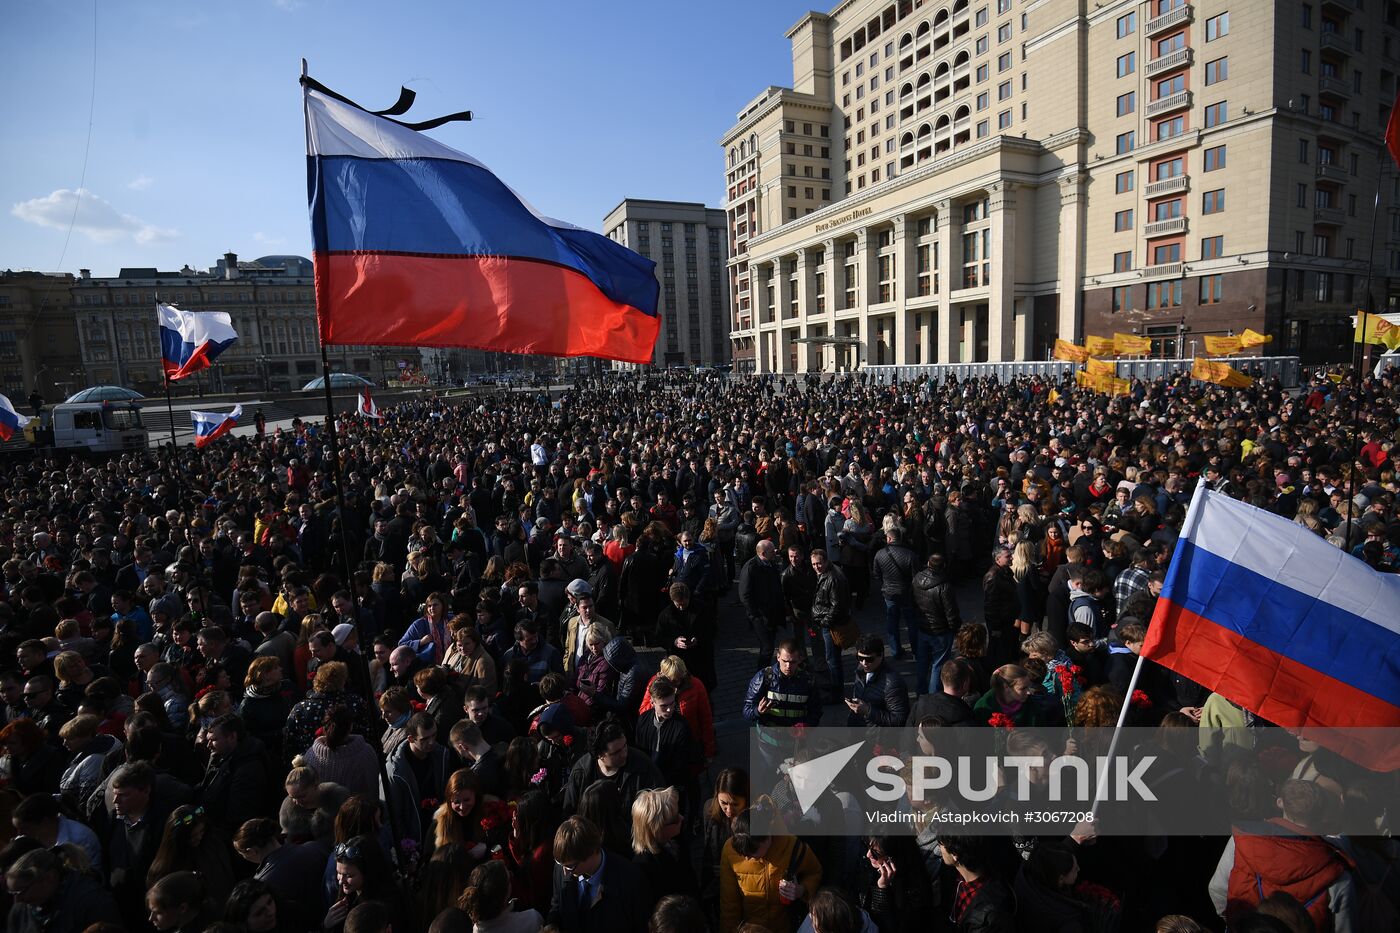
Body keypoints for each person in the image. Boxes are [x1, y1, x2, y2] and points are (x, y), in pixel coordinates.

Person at [720, 802, 823, 933]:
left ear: (768, 837)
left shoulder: (792, 846)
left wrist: (801, 890)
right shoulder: (730, 850)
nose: (747, 859)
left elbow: (814, 872)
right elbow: (729, 906)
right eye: (743, 854)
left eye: (753, 853)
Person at [547, 815, 651, 933]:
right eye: (561, 864)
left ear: (591, 854)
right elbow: (557, 904)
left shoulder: (630, 880)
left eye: (570, 866)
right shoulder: (562, 867)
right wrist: (552, 924)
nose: (565, 871)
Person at [742, 640, 823, 771]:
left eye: (792, 662)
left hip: (796, 746)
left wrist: (807, 725)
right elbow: (746, 711)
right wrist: (757, 711)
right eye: (785, 661)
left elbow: (816, 711)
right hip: (768, 746)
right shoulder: (763, 678)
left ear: (800, 659)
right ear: (778, 656)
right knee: (769, 779)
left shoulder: (808, 681)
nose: (788, 666)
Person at [4, 846, 122, 933]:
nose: (17, 900)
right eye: (12, 893)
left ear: (49, 877)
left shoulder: (94, 903)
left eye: (21, 892)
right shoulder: (21, 909)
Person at [562, 718, 663, 815]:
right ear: (600, 755)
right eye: (616, 752)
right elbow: (570, 813)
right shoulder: (582, 772)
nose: (624, 754)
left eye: (625, 746)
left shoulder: (643, 766)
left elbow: (660, 803)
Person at [632, 787, 698, 904]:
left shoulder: (674, 842)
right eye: (675, 819)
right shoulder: (644, 867)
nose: (681, 818)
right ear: (658, 829)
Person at [911, 552, 962, 695]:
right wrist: (955, 629)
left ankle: (920, 691)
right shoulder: (944, 586)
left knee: (922, 662)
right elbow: (951, 612)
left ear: (928, 564)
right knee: (938, 664)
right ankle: (933, 695)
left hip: (923, 628)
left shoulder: (917, 579)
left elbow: (913, 602)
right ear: (943, 566)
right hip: (941, 631)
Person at [810, 548, 852, 699]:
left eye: (819, 563)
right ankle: (835, 686)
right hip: (828, 623)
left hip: (831, 625)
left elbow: (837, 606)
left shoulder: (832, 578)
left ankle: (837, 692)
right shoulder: (827, 574)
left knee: (832, 659)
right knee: (832, 658)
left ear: (826, 561)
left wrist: (825, 623)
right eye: (814, 564)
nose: (816, 567)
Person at [739, 540, 787, 670]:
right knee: (767, 648)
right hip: (761, 616)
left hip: (771, 613)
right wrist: (755, 614)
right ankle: (762, 675)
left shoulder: (770, 563)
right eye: (772, 551)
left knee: (769, 645)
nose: (775, 552)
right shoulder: (751, 567)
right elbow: (744, 594)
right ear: (763, 553)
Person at [872, 528, 918, 660]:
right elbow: (916, 576)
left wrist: (885, 583)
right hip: (907, 592)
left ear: (889, 539)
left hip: (889, 593)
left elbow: (876, 574)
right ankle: (915, 650)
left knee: (892, 622)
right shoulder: (910, 554)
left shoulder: (880, 554)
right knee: (911, 622)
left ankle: (895, 651)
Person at [462, 858, 543, 933]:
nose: (511, 875)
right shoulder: (532, 920)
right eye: (509, 878)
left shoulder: (475, 930)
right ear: (504, 894)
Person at [846, 635, 909, 729]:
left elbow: (899, 720)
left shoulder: (892, 683)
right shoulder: (860, 671)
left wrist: (868, 711)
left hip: (877, 739)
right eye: (860, 658)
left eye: (869, 659)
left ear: (881, 655)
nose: (864, 663)